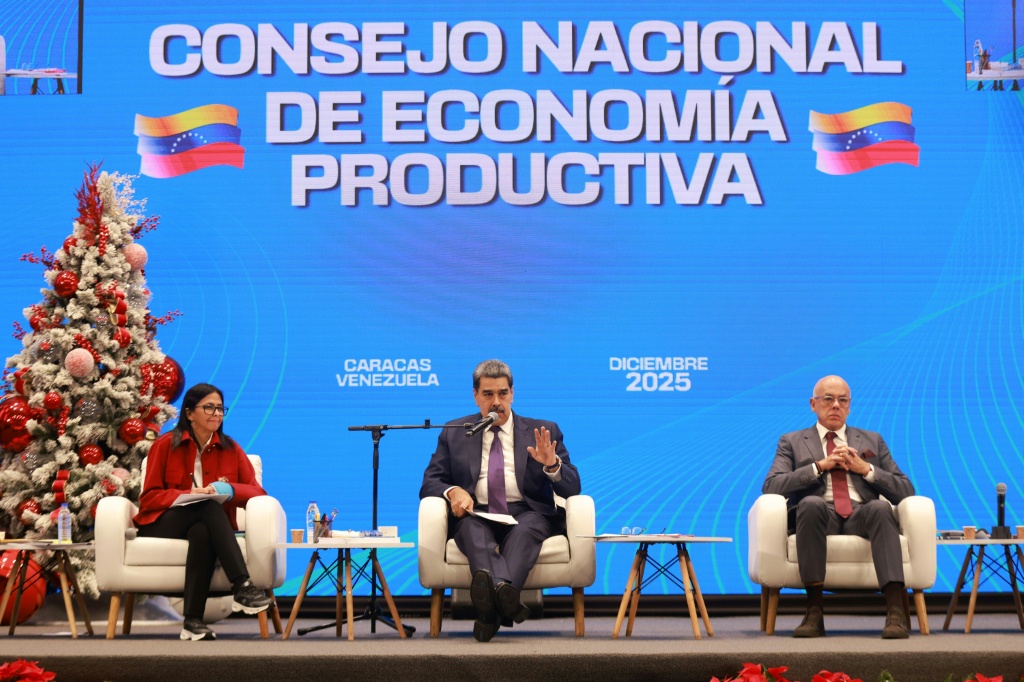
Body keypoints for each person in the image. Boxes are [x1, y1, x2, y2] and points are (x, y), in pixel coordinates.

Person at [420, 359, 581, 642]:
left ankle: (489, 613)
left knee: (526, 531)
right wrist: (453, 491)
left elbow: (573, 488)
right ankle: (505, 601)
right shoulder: (455, 432)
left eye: (503, 393)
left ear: (512, 393)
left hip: (527, 513)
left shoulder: (543, 431)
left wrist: (552, 465)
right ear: (475, 396)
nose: (496, 402)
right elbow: (430, 482)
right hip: (476, 513)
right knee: (472, 532)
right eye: (488, 394)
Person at [763, 375, 916, 639]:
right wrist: (819, 466)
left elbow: (905, 489)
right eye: (828, 399)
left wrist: (866, 469)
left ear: (849, 406)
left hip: (861, 514)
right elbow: (772, 486)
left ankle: (896, 613)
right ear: (813, 404)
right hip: (820, 515)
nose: (836, 405)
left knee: (881, 509)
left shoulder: (872, 439)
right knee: (811, 504)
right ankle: (814, 613)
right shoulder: (792, 441)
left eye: (842, 400)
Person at [135, 383, 274, 641]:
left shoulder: (231, 449)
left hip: (206, 524)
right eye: (209, 407)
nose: (217, 413)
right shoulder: (165, 445)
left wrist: (228, 489)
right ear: (189, 413)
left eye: (220, 408)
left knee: (202, 531)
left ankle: (192, 622)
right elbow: (149, 498)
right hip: (163, 523)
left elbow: (258, 493)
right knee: (208, 506)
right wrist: (187, 495)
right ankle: (242, 585)